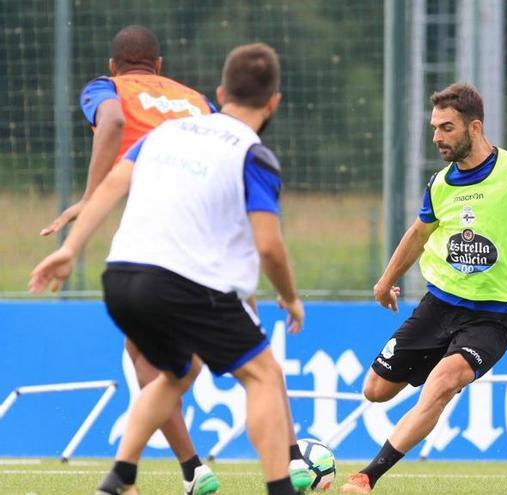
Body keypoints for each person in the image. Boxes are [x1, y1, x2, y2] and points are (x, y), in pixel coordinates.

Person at [30, 43, 308, 495]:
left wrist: (70, 249)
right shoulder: (254, 155)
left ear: (221, 91)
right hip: (184, 283)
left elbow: (110, 187)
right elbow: (270, 248)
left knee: (176, 374)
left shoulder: (163, 135)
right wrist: (291, 297)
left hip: (119, 278)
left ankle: (120, 476)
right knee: (264, 374)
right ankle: (281, 485)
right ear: (274, 100)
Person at [340, 82, 507, 494]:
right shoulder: (441, 183)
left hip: (493, 317)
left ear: (474, 127)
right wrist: (386, 280)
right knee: (375, 391)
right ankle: (439, 366)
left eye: (446, 128)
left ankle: (366, 476)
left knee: (442, 385)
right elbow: (418, 233)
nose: (437, 138)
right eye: (434, 128)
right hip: (439, 306)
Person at [39, 25, 221, 495]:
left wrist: (90, 196)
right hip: (209, 229)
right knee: (184, 353)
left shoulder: (108, 89)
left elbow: (115, 123)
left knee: (146, 353)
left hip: (157, 231)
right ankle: (195, 470)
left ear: (113, 65)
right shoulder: (197, 99)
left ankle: (143, 474)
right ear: (159, 66)